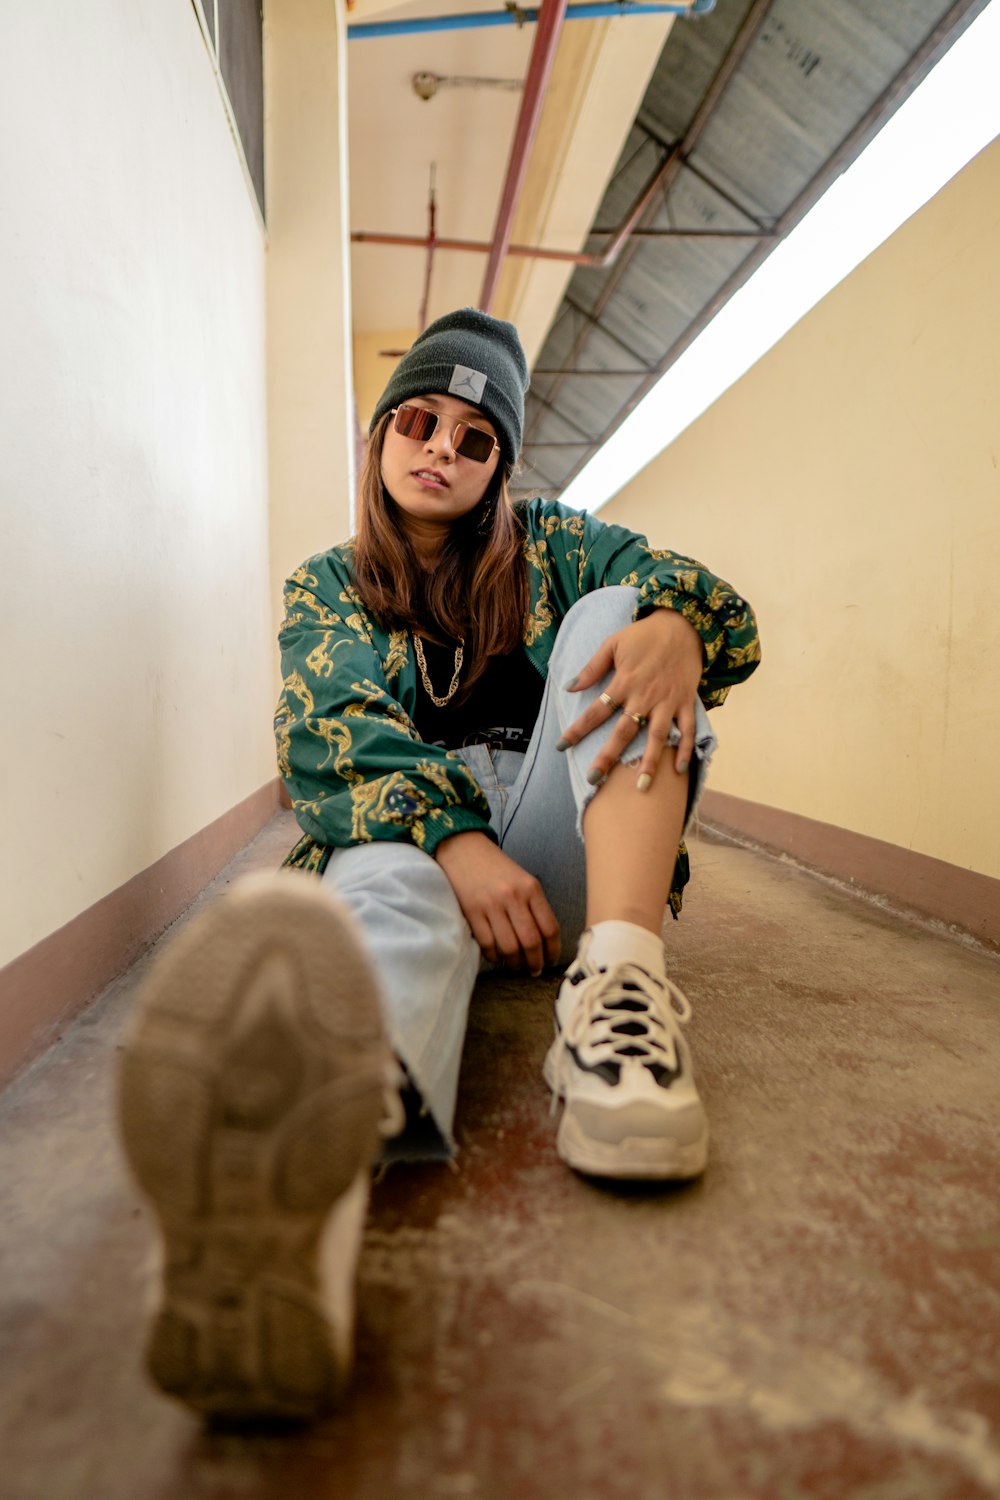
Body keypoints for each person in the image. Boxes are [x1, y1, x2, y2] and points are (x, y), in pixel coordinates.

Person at [117, 308, 760, 1422]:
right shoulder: (331, 584)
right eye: (418, 422)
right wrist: (454, 841)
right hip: (425, 857)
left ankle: (619, 986)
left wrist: (674, 627)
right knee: (380, 884)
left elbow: (724, 613)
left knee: (631, 608)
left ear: (500, 467)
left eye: (475, 440)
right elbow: (329, 729)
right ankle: (299, 1214)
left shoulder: (555, 546)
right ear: (378, 437)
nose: (441, 451)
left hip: (570, 869)